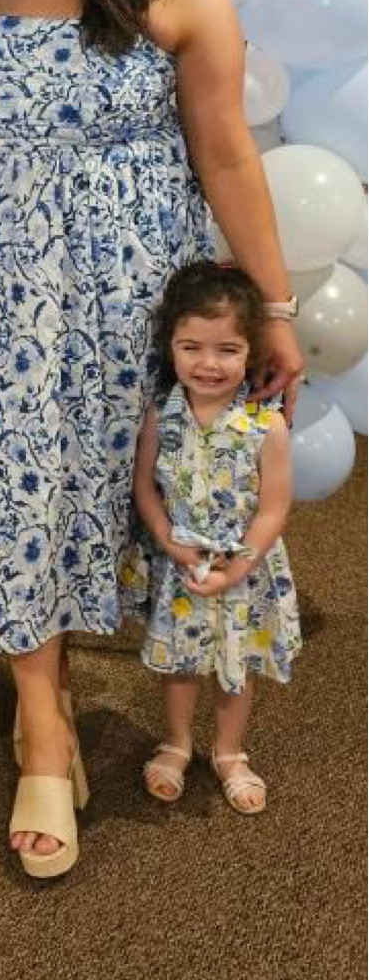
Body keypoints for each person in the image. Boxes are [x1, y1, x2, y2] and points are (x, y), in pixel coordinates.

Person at [0, 0, 302, 878]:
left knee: (121, 492)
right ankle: (44, 723)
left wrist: (268, 306)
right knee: (20, 493)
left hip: (134, 303)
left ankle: (131, 697)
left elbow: (223, 151)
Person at [129, 261, 300, 816]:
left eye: (227, 349)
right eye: (191, 347)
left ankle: (229, 751)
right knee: (181, 663)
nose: (208, 363)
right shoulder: (163, 413)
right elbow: (145, 486)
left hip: (244, 570)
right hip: (183, 562)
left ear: (251, 350)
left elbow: (275, 506)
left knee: (236, 664)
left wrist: (239, 566)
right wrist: (167, 540)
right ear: (171, 347)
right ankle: (176, 742)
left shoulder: (265, 422)